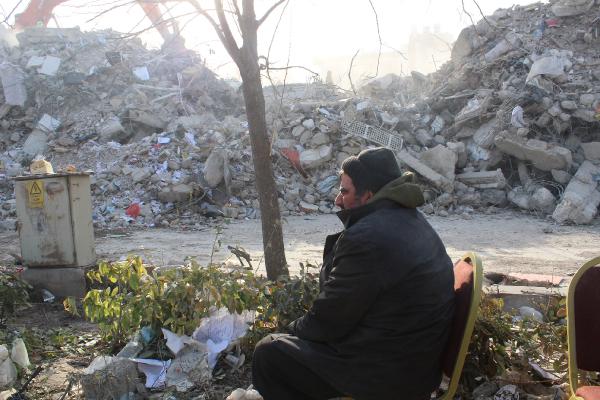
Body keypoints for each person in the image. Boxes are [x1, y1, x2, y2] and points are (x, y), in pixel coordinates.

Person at [252, 147, 455, 400]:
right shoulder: (412, 220)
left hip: (388, 374)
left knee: (269, 353)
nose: (338, 200)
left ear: (368, 195)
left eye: (344, 191)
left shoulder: (368, 239)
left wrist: (289, 332)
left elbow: (329, 319)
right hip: (413, 364)